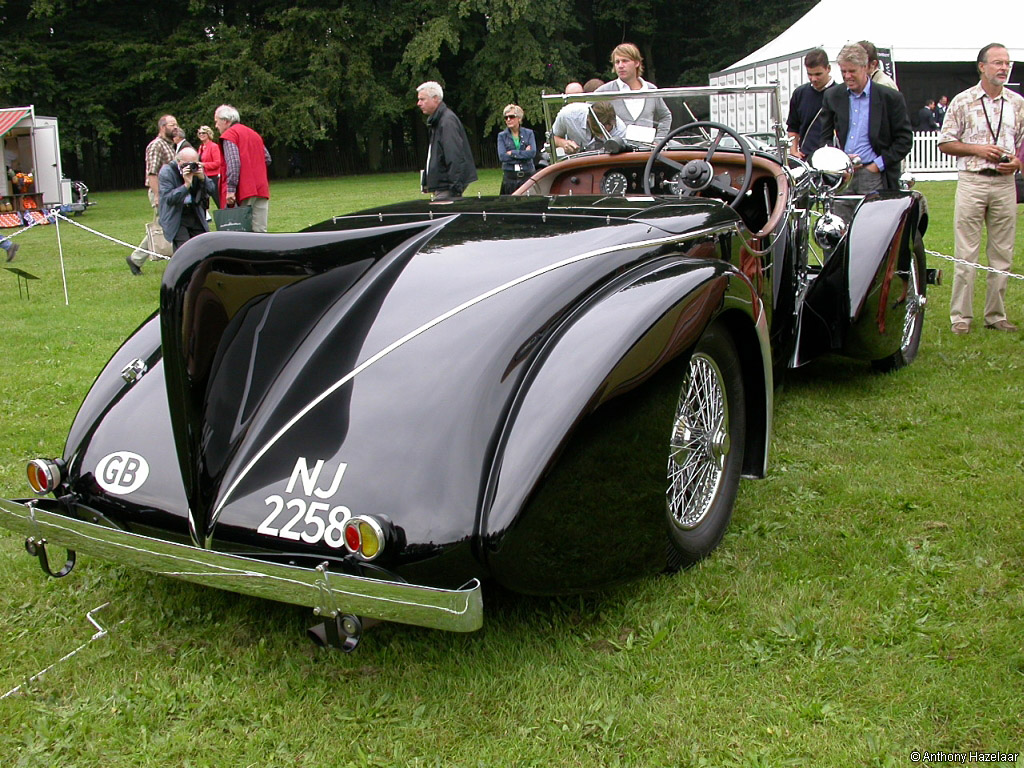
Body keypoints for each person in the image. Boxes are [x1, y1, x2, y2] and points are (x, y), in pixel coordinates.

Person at [938, 43, 1024, 335]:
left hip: (1004, 184)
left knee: (1003, 254)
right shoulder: (963, 101)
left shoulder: (1016, 103)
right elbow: (945, 142)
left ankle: (996, 315)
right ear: (982, 67)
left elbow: (1023, 144)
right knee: (966, 253)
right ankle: (961, 318)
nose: (1004, 68)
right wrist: (977, 149)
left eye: (1007, 63)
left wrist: (1017, 162)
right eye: (998, 62)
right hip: (973, 182)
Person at [819, 44, 913, 193]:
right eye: (844, 71)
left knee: (872, 217)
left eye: (852, 71)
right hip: (842, 176)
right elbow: (824, 136)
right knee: (839, 217)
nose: (847, 76)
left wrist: (877, 165)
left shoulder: (890, 98)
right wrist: (836, 161)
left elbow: (904, 140)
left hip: (874, 175)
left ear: (865, 68)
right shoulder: (832, 96)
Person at [127, 114, 177, 275]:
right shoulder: (156, 146)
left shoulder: (169, 145)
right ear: (162, 127)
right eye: (171, 125)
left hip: (169, 191)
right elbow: (152, 173)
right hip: (161, 192)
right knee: (164, 226)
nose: (175, 127)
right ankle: (136, 259)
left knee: (164, 226)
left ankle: (136, 258)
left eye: (176, 124)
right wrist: (158, 195)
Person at [416, 81, 477, 202]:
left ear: (435, 99)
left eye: (422, 99)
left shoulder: (447, 122)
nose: (419, 103)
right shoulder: (437, 121)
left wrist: (455, 188)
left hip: (447, 188)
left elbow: (454, 155)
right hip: (443, 185)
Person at [214, 104, 271, 232]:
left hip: (244, 189)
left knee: (242, 231)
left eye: (217, 122)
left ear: (226, 121)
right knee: (260, 230)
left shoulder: (230, 135)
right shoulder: (254, 134)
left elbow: (233, 163)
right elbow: (267, 158)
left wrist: (230, 189)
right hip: (261, 188)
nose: (216, 126)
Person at [594, 43, 671, 138]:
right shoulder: (604, 92)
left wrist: (659, 140)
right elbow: (587, 117)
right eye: (617, 62)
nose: (620, 66)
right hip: (616, 151)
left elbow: (665, 116)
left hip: (648, 151)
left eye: (625, 61)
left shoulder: (651, 90)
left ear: (637, 63)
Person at [158, 147, 217, 252]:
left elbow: (212, 190)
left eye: (194, 163)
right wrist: (186, 185)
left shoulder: (197, 170)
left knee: (204, 246)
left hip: (195, 213)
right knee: (185, 250)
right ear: (179, 161)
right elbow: (169, 199)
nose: (191, 167)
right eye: (187, 164)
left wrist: (202, 178)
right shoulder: (167, 172)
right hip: (176, 215)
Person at [786, 48, 837, 159]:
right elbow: (793, 127)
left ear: (828, 68)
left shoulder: (840, 94)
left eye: (818, 74)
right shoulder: (799, 93)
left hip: (832, 159)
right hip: (805, 158)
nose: (813, 79)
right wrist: (793, 151)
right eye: (810, 74)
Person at [551, 101, 624, 154]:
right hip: (572, 163)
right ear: (588, 119)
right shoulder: (568, 116)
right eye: (598, 131)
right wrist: (563, 143)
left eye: (608, 131)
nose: (602, 136)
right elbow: (552, 138)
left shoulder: (620, 129)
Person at [497, 104, 536, 195]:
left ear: (519, 118)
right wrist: (523, 154)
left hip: (527, 178)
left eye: (511, 117)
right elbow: (502, 156)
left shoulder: (529, 133)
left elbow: (532, 153)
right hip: (510, 179)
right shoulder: (502, 136)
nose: (508, 120)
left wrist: (512, 153)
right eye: (506, 118)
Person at [196, 125, 222, 206]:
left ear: (208, 134)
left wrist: (203, 165)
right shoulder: (201, 147)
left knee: (219, 201)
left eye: (204, 133)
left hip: (214, 177)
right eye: (200, 133)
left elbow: (218, 163)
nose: (201, 135)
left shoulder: (213, 146)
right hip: (204, 177)